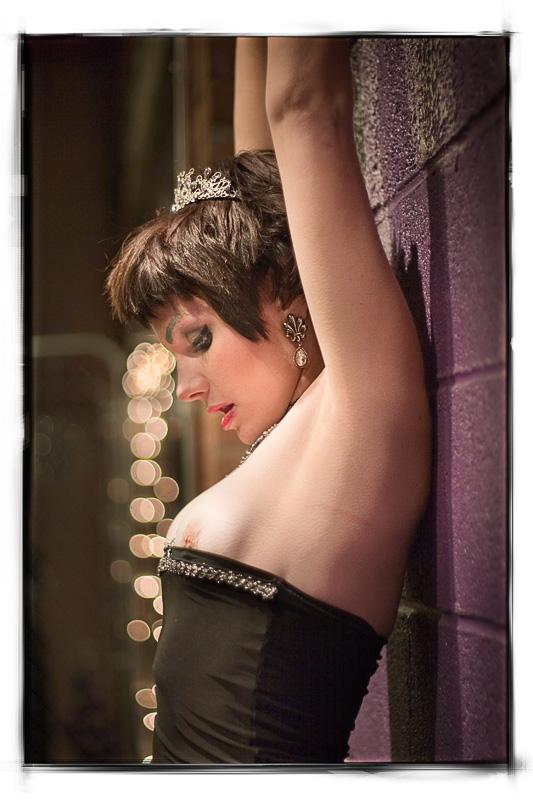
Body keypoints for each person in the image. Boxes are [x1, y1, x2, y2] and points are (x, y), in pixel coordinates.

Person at [105, 37, 432, 764]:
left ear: (280, 291)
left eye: (198, 340)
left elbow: (302, 105)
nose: (187, 387)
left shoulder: (359, 410)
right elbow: (260, 182)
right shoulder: (303, 432)